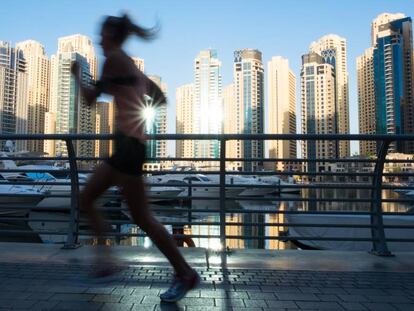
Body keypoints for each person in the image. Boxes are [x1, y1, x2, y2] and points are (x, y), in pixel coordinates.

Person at [71, 14, 200, 303]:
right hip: (129, 146)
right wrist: (132, 99)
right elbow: (159, 97)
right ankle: (112, 263)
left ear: (113, 37)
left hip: (128, 147)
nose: (99, 40)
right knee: (116, 209)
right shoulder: (129, 65)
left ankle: (178, 272)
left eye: (102, 35)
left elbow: (90, 100)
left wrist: (77, 75)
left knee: (131, 214)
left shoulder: (114, 58)